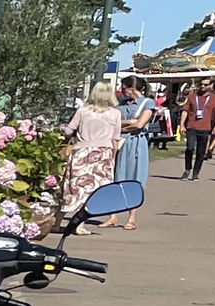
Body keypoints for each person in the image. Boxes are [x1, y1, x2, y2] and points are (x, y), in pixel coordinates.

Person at [65, 81, 123, 229]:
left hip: (82, 152)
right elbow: (116, 138)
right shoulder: (115, 113)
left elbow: (68, 130)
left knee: (78, 187)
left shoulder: (83, 111)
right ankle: (84, 223)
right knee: (97, 188)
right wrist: (113, 157)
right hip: (103, 154)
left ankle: (73, 222)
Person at [114, 76, 154, 227]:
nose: (122, 90)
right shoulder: (122, 104)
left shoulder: (147, 103)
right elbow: (114, 120)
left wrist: (123, 126)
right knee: (117, 176)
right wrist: (128, 123)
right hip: (121, 142)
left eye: (124, 87)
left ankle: (132, 217)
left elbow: (139, 124)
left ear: (132, 88)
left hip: (136, 143)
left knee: (134, 177)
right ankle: (113, 215)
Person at [183, 78, 215, 179]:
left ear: (210, 85)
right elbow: (185, 111)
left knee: (201, 152)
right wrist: (182, 124)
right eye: (201, 84)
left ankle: (196, 173)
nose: (203, 87)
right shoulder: (192, 97)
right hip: (191, 126)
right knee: (190, 148)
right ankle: (187, 169)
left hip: (205, 128)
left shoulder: (214, 98)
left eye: (205, 85)